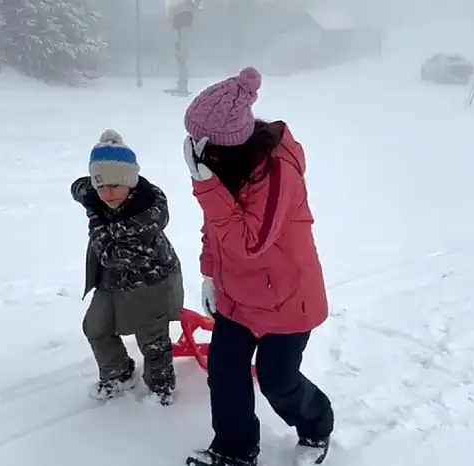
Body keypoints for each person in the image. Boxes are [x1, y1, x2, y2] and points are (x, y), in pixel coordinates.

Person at [181, 67, 335, 465]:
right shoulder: (224, 167)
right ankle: (234, 451)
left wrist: (206, 186)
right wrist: (210, 273)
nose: (196, 148)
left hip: (287, 300)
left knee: (277, 380)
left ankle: (317, 426)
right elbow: (215, 228)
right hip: (238, 295)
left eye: (203, 142)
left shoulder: (278, 172)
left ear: (227, 143)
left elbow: (250, 241)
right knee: (226, 371)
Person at [71, 129, 184, 406]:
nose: (106, 194)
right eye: (100, 187)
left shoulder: (146, 215)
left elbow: (111, 254)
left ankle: (161, 389)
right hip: (112, 281)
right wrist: (88, 192)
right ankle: (118, 373)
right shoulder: (101, 193)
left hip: (150, 283)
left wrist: (95, 217)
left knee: (152, 339)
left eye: (113, 186)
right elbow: (79, 186)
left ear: (130, 183)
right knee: (95, 327)